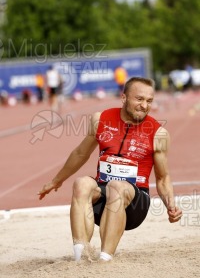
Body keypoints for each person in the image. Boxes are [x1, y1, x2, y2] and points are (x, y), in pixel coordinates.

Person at [38, 77, 182, 262]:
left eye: (149, 101)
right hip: (102, 198)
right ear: (124, 98)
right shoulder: (101, 119)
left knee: (117, 186)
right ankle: (81, 256)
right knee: (82, 183)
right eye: (139, 99)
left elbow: (162, 178)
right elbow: (81, 153)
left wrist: (170, 205)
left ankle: (105, 259)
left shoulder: (159, 134)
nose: (144, 105)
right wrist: (56, 181)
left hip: (135, 203)